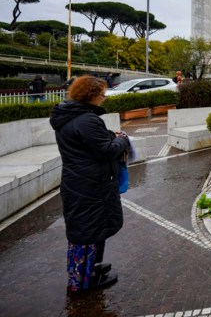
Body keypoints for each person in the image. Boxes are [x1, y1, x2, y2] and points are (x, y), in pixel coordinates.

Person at [50, 75, 130, 293]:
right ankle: (82, 282)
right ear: (91, 95)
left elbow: (88, 144)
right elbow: (105, 150)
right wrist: (121, 140)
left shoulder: (69, 117)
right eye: (102, 94)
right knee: (88, 231)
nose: (103, 98)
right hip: (91, 184)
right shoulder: (87, 120)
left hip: (79, 181)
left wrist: (107, 136)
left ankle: (90, 268)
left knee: (89, 229)